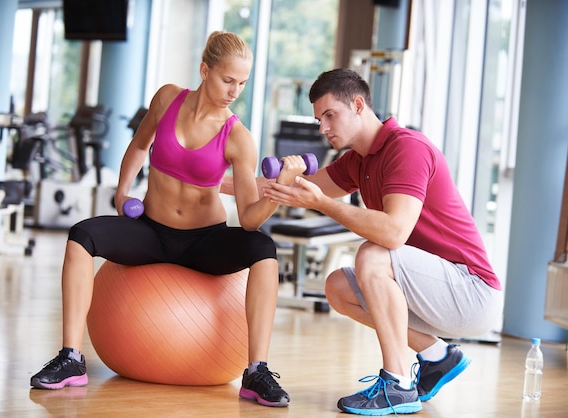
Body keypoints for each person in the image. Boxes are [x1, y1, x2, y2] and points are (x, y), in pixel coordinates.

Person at [30, 31, 301, 408]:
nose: (234, 90)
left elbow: (251, 219)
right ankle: (71, 358)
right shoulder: (167, 99)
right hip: (152, 233)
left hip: (205, 241)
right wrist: (123, 192)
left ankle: (256, 370)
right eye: (227, 80)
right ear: (205, 70)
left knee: (263, 247)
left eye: (242, 83)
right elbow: (140, 145)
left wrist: (279, 188)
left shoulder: (238, 137)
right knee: (81, 235)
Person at [260, 68, 503, 415]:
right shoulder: (357, 161)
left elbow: (393, 233)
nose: (323, 128)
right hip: (433, 288)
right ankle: (437, 356)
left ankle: (398, 384)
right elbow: (287, 189)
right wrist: (207, 183)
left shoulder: (407, 148)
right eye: (319, 120)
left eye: (330, 115)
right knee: (339, 287)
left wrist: (324, 204)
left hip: (472, 292)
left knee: (374, 254)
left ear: (358, 104)